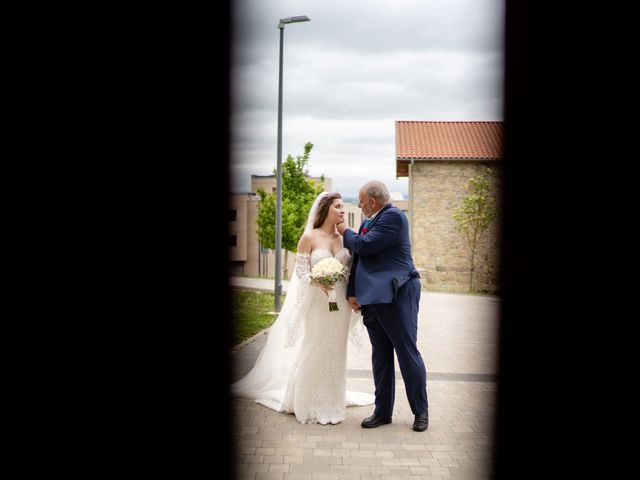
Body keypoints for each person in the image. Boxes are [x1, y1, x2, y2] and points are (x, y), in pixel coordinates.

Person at [232, 191, 374, 425]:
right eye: (338, 206)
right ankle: (306, 400)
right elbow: (300, 271)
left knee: (336, 351)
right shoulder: (309, 237)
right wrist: (317, 281)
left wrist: (353, 295)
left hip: (339, 302)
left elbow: (352, 270)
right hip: (317, 302)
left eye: (342, 207)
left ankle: (331, 400)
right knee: (314, 345)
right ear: (325, 209)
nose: (342, 210)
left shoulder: (345, 238)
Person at [336, 180, 429, 432]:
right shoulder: (367, 221)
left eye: (361, 201)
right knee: (380, 357)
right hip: (373, 301)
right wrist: (353, 293)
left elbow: (363, 245)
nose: (359, 205)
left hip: (398, 295)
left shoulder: (394, 217)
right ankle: (382, 412)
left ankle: (420, 411)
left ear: (373, 202)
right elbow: (359, 260)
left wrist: (344, 230)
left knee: (407, 354)